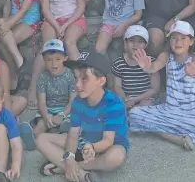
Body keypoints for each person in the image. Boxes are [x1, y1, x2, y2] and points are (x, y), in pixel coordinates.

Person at [36, 51, 128, 181]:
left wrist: (90, 149)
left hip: (107, 146)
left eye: (84, 78)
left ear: (101, 81)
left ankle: (67, 167)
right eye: (76, 77)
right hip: (84, 142)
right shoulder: (78, 102)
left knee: (116, 156)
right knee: (41, 139)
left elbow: (108, 141)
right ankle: (81, 174)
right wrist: (69, 156)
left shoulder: (113, 103)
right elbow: (73, 134)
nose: (77, 84)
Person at [28, 0, 92, 110]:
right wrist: (57, 26)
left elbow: (81, 6)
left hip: (74, 18)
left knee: (70, 43)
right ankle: (33, 87)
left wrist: (66, 25)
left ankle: (84, 84)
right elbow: (45, 8)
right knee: (48, 47)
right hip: (52, 19)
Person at [129, 21, 195, 151]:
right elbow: (154, 67)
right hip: (170, 111)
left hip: (192, 115)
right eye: (174, 38)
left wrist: (188, 73)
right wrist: (147, 67)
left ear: (191, 41)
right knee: (134, 114)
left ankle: (164, 130)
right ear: (169, 41)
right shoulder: (166, 56)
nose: (178, 42)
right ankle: (178, 139)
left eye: (183, 38)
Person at [18, 40, 76, 151]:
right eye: (49, 60)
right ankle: (31, 139)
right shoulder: (43, 78)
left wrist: (62, 115)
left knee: (70, 122)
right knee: (41, 124)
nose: (54, 64)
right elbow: (42, 102)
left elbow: (73, 100)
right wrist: (45, 116)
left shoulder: (71, 75)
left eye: (58, 59)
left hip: (67, 109)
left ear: (65, 58)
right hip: (49, 109)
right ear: (44, 60)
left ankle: (63, 133)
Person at [111, 25, 161, 109]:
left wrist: (136, 99)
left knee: (146, 104)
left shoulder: (151, 61)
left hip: (146, 99)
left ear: (146, 44)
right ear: (126, 42)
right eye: (131, 40)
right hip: (127, 99)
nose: (135, 44)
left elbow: (155, 89)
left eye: (140, 41)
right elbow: (117, 86)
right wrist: (124, 99)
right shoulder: (119, 62)